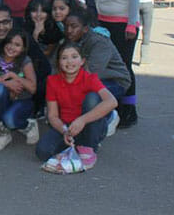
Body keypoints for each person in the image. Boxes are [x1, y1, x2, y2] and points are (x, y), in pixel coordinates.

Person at [35, 41, 118, 171]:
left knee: (92, 97)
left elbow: (112, 101)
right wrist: (64, 131)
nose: (69, 62)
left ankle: (91, 142)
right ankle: (76, 144)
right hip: (68, 125)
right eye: (64, 58)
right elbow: (52, 115)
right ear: (58, 62)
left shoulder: (90, 78)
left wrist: (82, 120)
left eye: (74, 57)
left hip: (89, 123)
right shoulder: (52, 81)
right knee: (42, 151)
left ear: (82, 61)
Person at [88, 0, 140, 129]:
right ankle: (112, 108)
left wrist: (132, 23)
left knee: (124, 67)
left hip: (123, 23)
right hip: (103, 23)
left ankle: (129, 110)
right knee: (106, 67)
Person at [0, 4, 51, 132]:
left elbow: (44, 67)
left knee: (45, 82)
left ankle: (32, 112)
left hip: (22, 86)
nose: (1, 27)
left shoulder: (23, 38)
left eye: (5, 22)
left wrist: (20, 81)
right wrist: (6, 84)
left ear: (11, 22)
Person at [0, 30, 38, 151]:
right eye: (9, 42)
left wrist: (14, 76)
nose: (12, 47)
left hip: (21, 100)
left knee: (10, 120)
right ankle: (3, 134)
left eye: (17, 45)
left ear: (23, 48)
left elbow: (32, 88)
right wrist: (7, 83)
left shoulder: (25, 61)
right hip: (2, 100)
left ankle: (28, 125)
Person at [63, 8, 130, 107]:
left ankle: (104, 120)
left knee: (90, 97)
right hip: (84, 79)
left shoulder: (99, 42)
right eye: (66, 26)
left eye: (73, 26)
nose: (69, 31)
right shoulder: (71, 40)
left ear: (85, 28)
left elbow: (92, 72)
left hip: (115, 81)